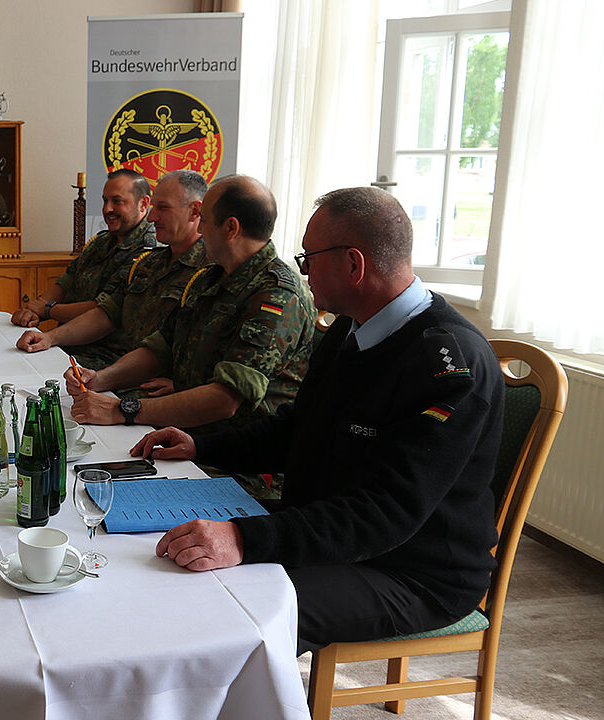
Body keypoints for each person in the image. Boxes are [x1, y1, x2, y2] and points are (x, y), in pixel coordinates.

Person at [138, 186, 504, 653]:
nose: (303, 271)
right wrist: (202, 446)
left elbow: (385, 513)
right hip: (335, 532)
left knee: (235, 613)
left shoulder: (448, 366)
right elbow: (299, 428)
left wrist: (245, 538)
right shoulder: (351, 328)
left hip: (413, 570)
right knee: (166, 551)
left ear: (354, 264)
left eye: (309, 258)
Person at [65, 175, 315, 436]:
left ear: (231, 228)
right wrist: (100, 379)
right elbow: (161, 347)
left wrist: (122, 410)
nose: (200, 231)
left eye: (204, 221)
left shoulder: (277, 296)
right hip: (186, 429)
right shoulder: (210, 278)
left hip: (233, 447)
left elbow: (225, 400)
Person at [15, 169, 207, 374]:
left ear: (195, 211)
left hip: (114, 361)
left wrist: (46, 310)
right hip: (118, 367)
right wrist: (48, 335)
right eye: (105, 200)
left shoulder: (208, 269)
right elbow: (106, 312)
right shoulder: (150, 263)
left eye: (163, 207)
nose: (152, 217)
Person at [11, 168, 156, 327]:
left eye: (117, 201)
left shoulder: (149, 251)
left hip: (104, 342)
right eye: (105, 201)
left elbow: (103, 308)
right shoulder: (100, 242)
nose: (107, 209)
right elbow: (68, 280)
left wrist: (46, 310)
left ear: (143, 204)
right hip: (66, 336)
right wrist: (34, 309)